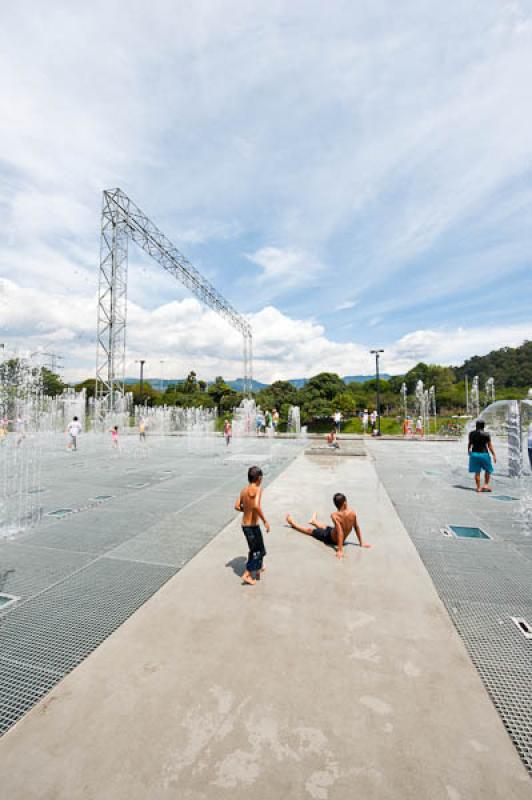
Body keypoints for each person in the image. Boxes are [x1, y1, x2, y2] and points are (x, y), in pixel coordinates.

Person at [286, 492, 371, 560]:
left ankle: (310, 522)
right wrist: (360, 543)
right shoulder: (352, 512)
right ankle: (295, 524)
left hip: (332, 536)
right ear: (345, 503)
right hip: (331, 536)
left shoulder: (335, 515)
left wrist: (341, 549)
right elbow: (355, 527)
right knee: (315, 530)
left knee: (321, 528)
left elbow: (341, 531)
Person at [234, 465, 270, 586]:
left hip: (245, 525)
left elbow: (237, 506)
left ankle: (258, 567)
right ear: (259, 478)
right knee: (257, 551)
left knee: (259, 549)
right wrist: (265, 521)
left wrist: (246, 510)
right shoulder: (258, 489)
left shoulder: (243, 490)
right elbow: (255, 505)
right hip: (252, 526)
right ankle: (247, 574)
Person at [468, 420, 496, 492]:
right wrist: (494, 455)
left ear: (476, 426)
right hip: (484, 454)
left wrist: (469, 451)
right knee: (488, 470)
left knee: (477, 472)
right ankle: (486, 485)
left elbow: (470, 444)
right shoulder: (486, 434)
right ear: (484, 426)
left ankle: (478, 488)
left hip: (474, 454)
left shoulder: (471, 433)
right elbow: (489, 446)